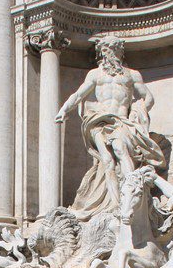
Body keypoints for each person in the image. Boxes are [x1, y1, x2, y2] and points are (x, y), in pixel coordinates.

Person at [55, 36, 165, 219]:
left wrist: (138, 111)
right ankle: (115, 203)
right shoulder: (95, 74)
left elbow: (149, 97)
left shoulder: (132, 74)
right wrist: (64, 110)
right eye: (106, 50)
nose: (109, 53)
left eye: (113, 49)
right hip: (99, 121)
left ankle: (131, 194)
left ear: (120, 52)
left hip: (122, 121)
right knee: (106, 160)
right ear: (101, 53)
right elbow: (78, 94)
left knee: (120, 148)